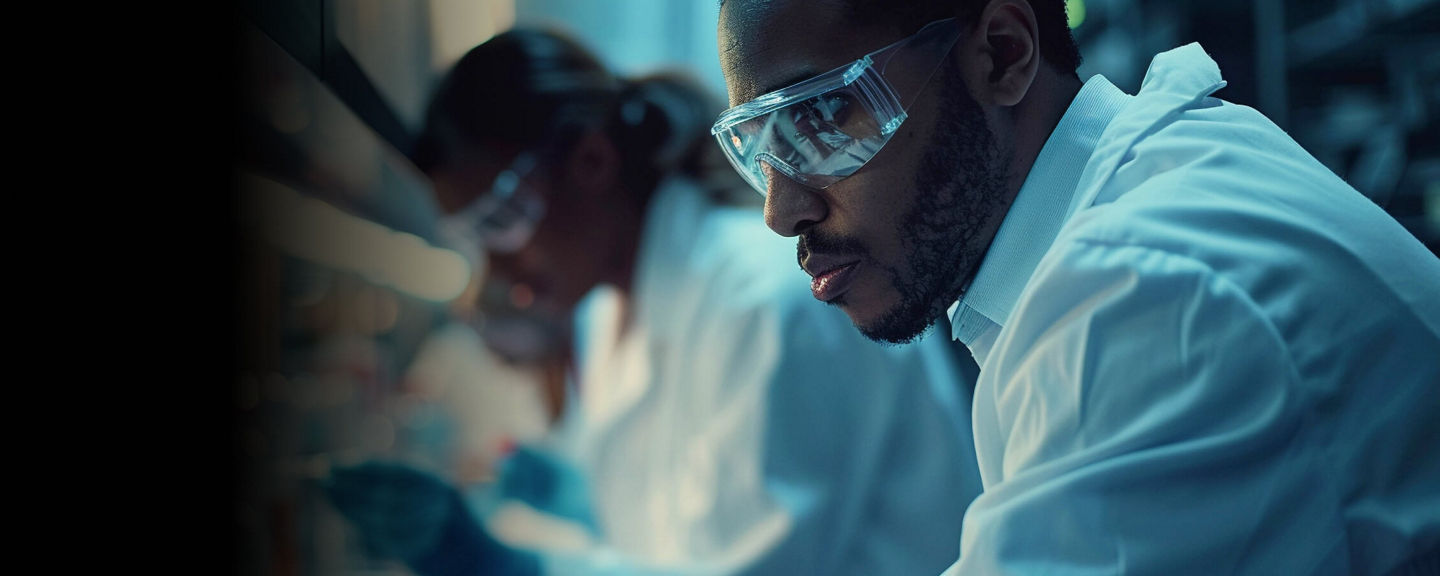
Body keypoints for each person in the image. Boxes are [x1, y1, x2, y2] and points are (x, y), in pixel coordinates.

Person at [714, 1, 1440, 574]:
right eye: (759, 151)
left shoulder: (1145, 290)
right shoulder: (1151, 186)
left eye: (819, 119)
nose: (782, 213)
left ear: (1003, 53)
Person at [324, 27, 986, 576]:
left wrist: (511, 566)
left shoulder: (763, 297)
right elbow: (670, 532)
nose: (495, 268)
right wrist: (573, 497)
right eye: (475, 239)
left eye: (502, 222)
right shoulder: (610, 311)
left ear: (590, 162)